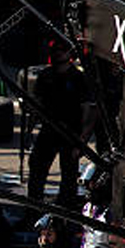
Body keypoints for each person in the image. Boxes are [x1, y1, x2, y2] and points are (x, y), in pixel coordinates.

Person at [27, 40, 88, 210]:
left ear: (69, 53)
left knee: (69, 176)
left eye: (62, 50)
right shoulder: (45, 75)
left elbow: (88, 110)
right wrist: (29, 130)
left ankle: (65, 212)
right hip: (49, 130)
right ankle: (33, 209)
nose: (58, 53)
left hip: (70, 133)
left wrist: (82, 140)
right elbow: (37, 104)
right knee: (37, 170)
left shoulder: (78, 78)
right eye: (55, 50)